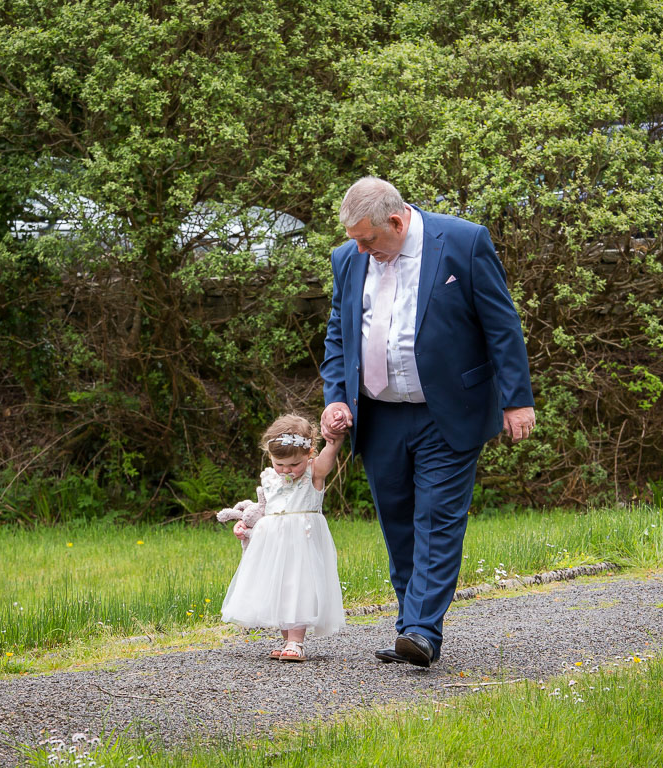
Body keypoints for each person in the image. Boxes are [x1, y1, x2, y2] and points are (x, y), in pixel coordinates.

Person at [320, 177, 535, 668]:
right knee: (398, 525)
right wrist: (337, 397)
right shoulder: (348, 259)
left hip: (448, 413)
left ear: (396, 222)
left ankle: (420, 631)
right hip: (379, 416)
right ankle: (409, 624)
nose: (360, 248)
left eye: (368, 239)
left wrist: (516, 399)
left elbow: (502, 324)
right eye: (354, 239)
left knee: (437, 518)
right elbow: (339, 334)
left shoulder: (463, 241)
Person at [220, 414, 346, 661]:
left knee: (298, 586)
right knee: (279, 587)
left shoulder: (314, 473)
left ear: (309, 454)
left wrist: (334, 442)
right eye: (280, 464)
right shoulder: (269, 477)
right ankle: (287, 638)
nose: (287, 470)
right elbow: (266, 511)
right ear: (271, 457)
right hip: (274, 544)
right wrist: (245, 526)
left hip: (302, 542)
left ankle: (296, 641)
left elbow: (327, 459)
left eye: (293, 465)